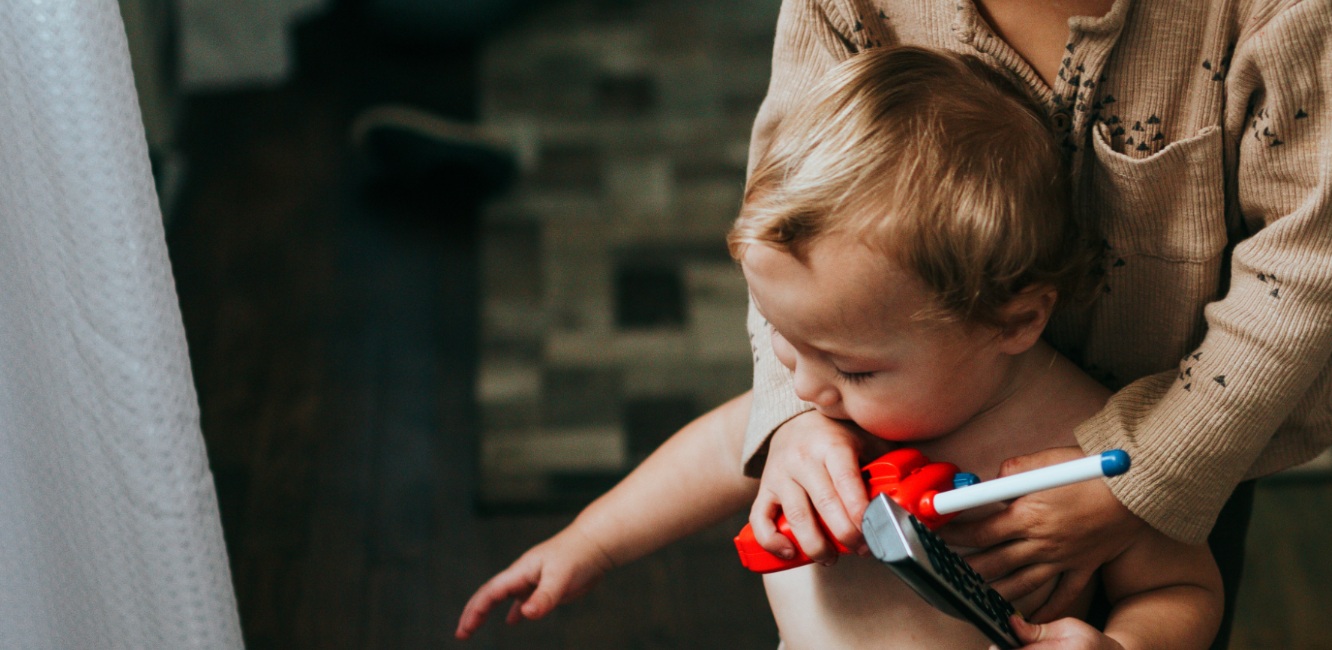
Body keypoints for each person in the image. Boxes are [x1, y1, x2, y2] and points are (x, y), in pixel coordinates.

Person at [457, 45, 1224, 649]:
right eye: (789, 349)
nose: (813, 393)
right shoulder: (820, 415)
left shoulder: (1085, 444)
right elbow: (722, 450)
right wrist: (588, 544)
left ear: (1013, 322)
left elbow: (1182, 590)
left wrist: (1119, 646)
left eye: (855, 368)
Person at [742, 2, 1332, 648]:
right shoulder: (829, 394)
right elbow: (783, 212)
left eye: (847, 368)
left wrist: (1147, 479)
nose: (813, 385)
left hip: (1195, 443)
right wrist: (791, 418)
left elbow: (1307, 262)